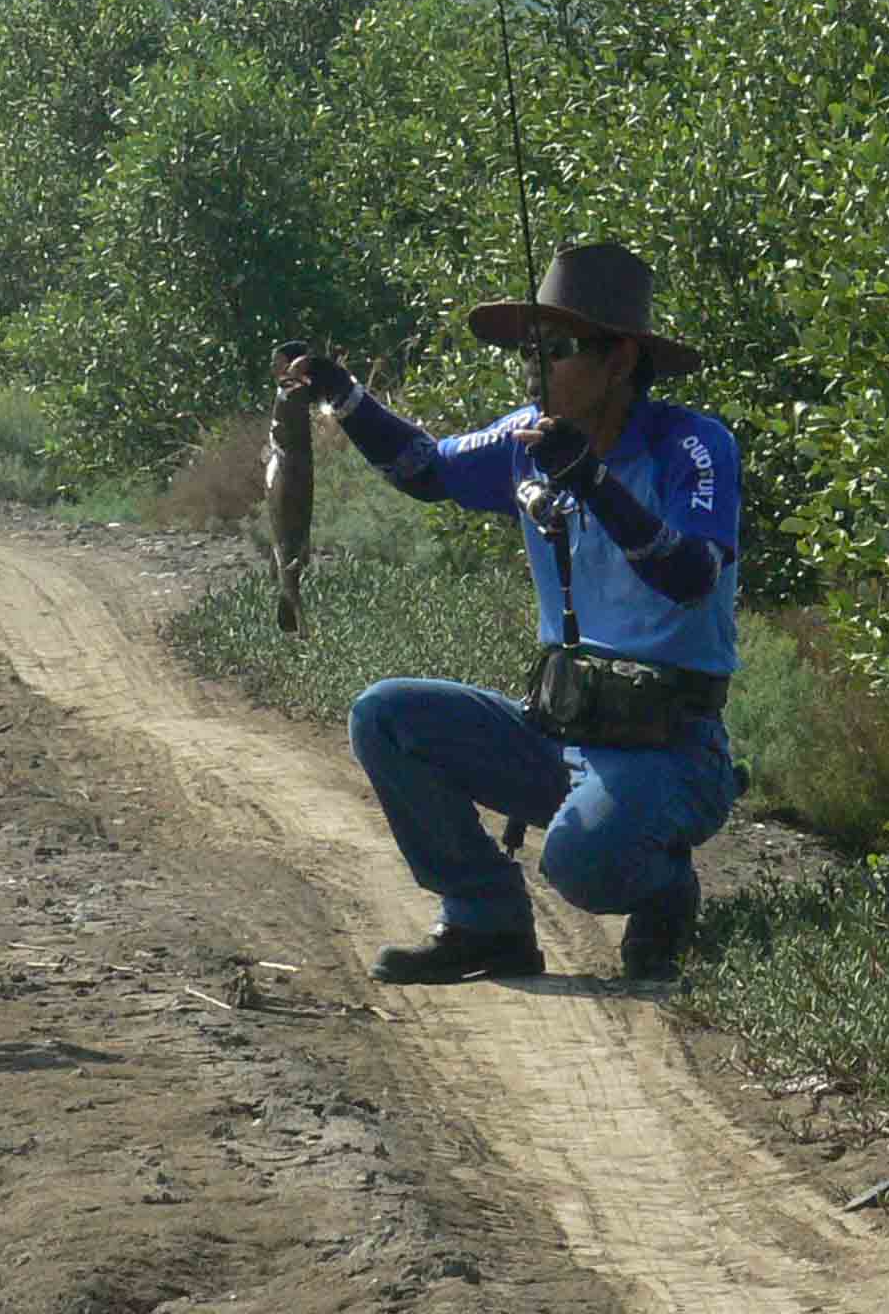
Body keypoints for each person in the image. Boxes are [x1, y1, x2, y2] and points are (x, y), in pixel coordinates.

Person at [286, 242, 741, 984]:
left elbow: (689, 576)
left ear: (621, 360)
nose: (534, 369)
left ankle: (664, 888)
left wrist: (594, 482)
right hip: (560, 729)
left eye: (556, 349)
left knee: (580, 867)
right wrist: (344, 395)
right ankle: (485, 921)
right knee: (386, 715)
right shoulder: (529, 438)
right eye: (528, 352)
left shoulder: (692, 446)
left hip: (673, 747)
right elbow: (427, 470)